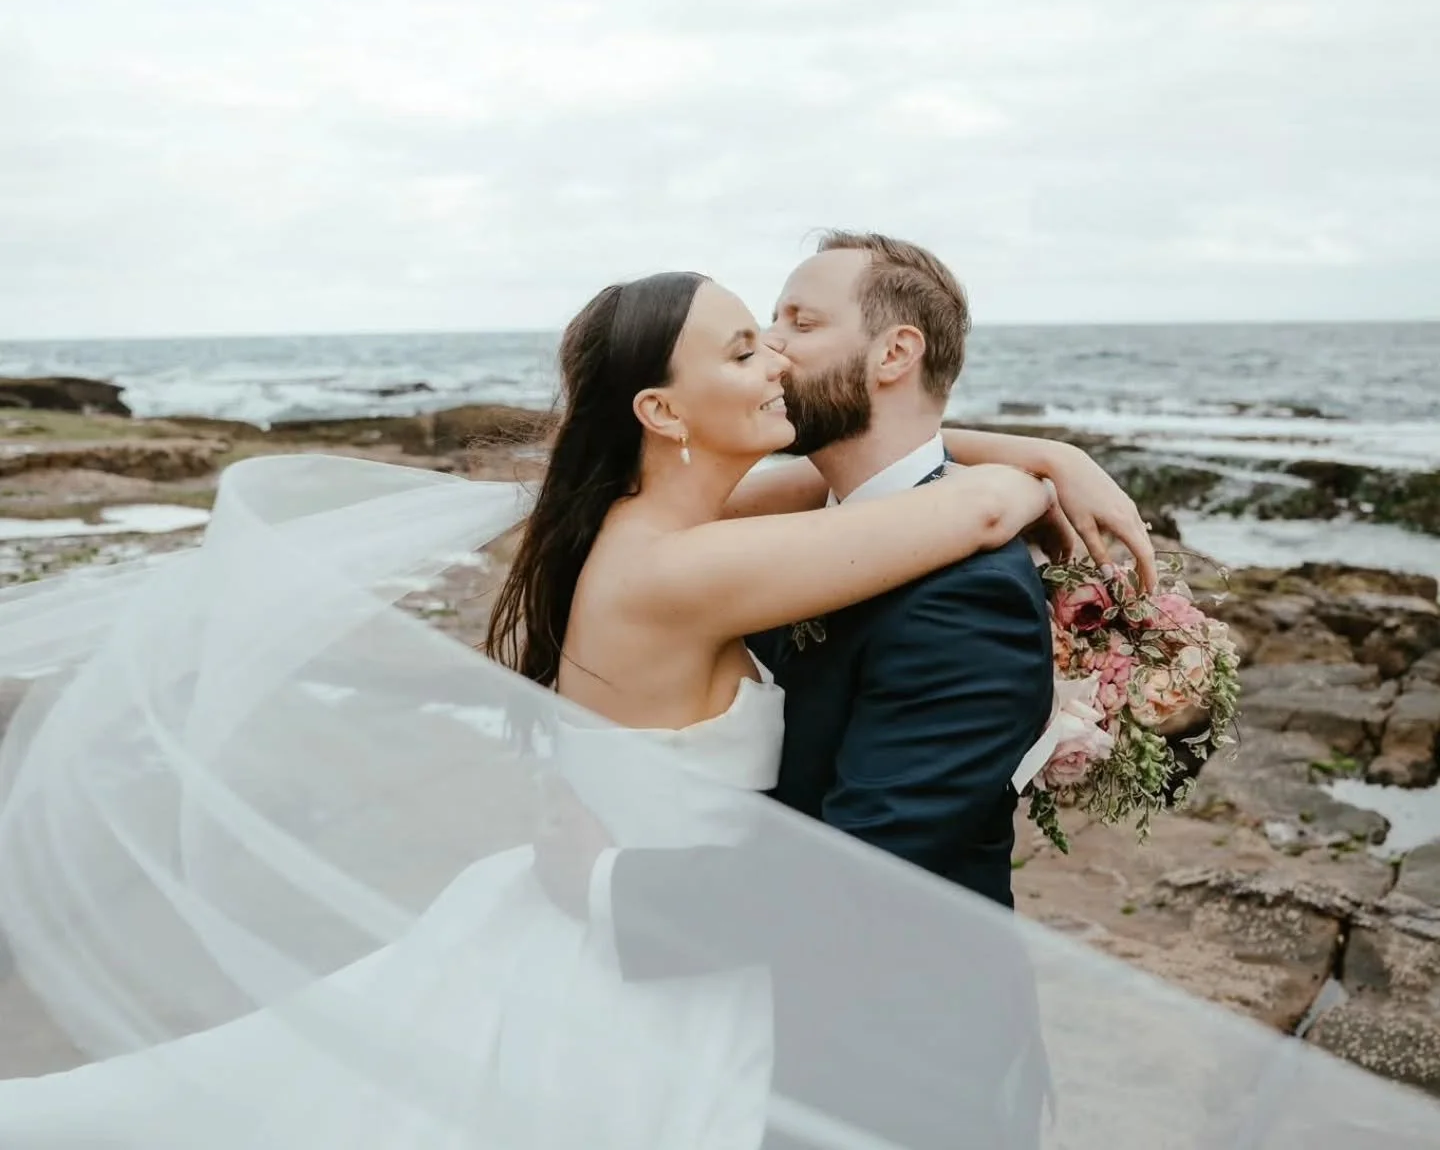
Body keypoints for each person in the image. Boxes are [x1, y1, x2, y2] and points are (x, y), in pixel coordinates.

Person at [0, 269, 1143, 1148]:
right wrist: (1035, 474)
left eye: (779, 336)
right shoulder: (677, 570)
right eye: (746, 347)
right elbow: (978, 508)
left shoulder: (689, 522)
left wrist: (1044, 447)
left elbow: (876, 483)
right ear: (662, 406)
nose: (780, 367)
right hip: (642, 963)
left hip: (655, 937)